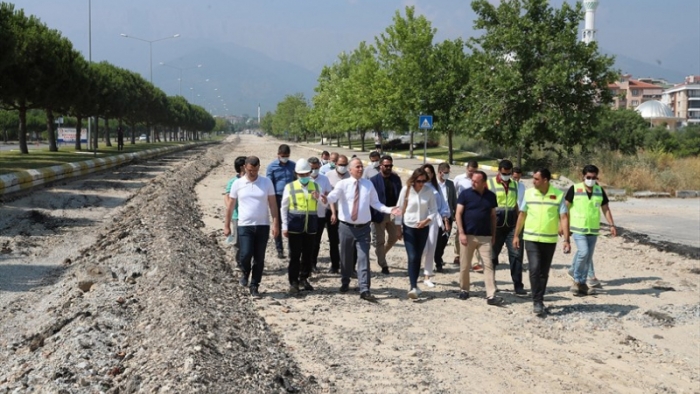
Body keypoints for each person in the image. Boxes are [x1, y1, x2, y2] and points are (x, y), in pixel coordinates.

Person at [324, 158, 401, 301]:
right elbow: (332, 198)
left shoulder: (368, 185)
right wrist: (323, 199)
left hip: (364, 228)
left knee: (363, 258)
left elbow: (376, 203)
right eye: (358, 167)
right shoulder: (342, 184)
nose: (360, 169)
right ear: (350, 169)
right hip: (346, 227)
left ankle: (364, 288)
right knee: (346, 258)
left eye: (362, 167)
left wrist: (390, 209)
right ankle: (345, 281)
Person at [514, 168, 570, 316]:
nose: (533, 181)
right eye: (533, 178)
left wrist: (566, 239)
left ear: (546, 180)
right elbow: (522, 215)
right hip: (531, 238)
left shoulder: (558, 195)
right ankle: (536, 301)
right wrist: (515, 235)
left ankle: (540, 298)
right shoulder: (528, 193)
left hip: (549, 239)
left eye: (537, 179)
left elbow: (564, 217)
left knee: (543, 272)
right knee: (534, 269)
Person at [224, 156, 279, 299]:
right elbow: (230, 206)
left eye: (255, 170)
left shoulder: (266, 183)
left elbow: (273, 204)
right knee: (246, 253)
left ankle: (255, 285)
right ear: (244, 168)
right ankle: (245, 272)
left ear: (259, 167)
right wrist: (227, 225)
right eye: (249, 170)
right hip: (244, 225)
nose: (252, 173)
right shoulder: (238, 183)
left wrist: (276, 223)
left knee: (259, 258)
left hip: (262, 225)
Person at [565, 164, 617, 294]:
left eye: (594, 177)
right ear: (583, 176)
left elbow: (605, 209)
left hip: (593, 230)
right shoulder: (575, 189)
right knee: (583, 252)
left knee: (587, 256)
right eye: (588, 177)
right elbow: (564, 208)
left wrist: (611, 225)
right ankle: (577, 280)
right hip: (578, 228)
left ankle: (581, 283)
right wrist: (563, 225)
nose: (591, 180)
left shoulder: (599, 190)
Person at [455, 171, 503, 306]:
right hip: (468, 235)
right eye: (472, 180)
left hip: (485, 237)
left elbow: (493, 216)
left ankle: (491, 294)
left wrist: (493, 235)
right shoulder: (465, 194)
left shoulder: (491, 196)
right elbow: (458, 214)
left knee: (488, 265)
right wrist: (461, 232)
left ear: (483, 183)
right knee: (465, 265)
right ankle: (464, 289)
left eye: (476, 181)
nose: (473, 183)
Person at [281, 159, 321, 294]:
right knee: (295, 255)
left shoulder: (315, 186)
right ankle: (293, 282)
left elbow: (323, 205)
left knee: (308, 255)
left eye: (306, 174)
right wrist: (284, 226)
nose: (304, 177)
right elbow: (283, 208)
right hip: (294, 226)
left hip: (310, 226)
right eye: (301, 175)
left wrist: (319, 198)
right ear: (296, 174)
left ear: (310, 173)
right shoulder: (290, 187)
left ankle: (304, 278)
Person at [396, 168, 437, 299]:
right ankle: (413, 286)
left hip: (423, 228)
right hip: (409, 227)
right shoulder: (406, 190)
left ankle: (415, 285)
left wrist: (426, 220)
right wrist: (398, 227)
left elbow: (434, 210)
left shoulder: (428, 191)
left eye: (424, 181)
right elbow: (399, 208)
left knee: (418, 256)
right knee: (412, 256)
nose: (421, 183)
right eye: (419, 181)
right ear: (414, 180)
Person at [488, 160, 527, 295]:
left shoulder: (515, 185)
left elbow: (517, 205)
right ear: (499, 171)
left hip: (511, 225)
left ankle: (518, 285)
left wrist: (520, 226)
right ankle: (491, 284)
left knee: (516, 255)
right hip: (495, 226)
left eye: (509, 173)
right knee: (492, 256)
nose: (507, 176)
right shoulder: (490, 183)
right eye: (504, 173)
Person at [419, 164, 451, 287]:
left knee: (431, 248)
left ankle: (427, 276)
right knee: (422, 249)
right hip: (420, 220)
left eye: (430, 173)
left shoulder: (436, 187)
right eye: (425, 172)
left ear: (433, 174)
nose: (428, 175)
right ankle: (415, 269)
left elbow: (443, 205)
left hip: (433, 221)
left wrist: (445, 220)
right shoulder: (418, 186)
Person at [369, 155, 402, 275]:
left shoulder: (396, 179)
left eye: (390, 166)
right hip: (379, 214)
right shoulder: (373, 181)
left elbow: (400, 196)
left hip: (393, 213)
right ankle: (383, 264)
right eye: (386, 166)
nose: (389, 168)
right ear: (381, 166)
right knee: (380, 240)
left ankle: (380, 253)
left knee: (394, 237)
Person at [266, 144, 296, 259]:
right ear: (278, 155)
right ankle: (279, 249)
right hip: (277, 197)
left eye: (287, 156)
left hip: (291, 198)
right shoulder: (271, 167)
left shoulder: (293, 166)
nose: (285, 158)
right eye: (283, 156)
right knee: (277, 222)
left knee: (291, 222)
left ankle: (291, 249)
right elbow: (269, 184)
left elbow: (297, 180)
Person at [324, 155, 350, 273]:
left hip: (347, 213)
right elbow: (329, 196)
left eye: (345, 165)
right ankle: (335, 265)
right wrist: (333, 213)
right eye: (341, 165)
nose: (343, 167)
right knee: (333, 240)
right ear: (336, 164)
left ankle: (348, 266)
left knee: (347, 241)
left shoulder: (350, 176)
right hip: (332, 212)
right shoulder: (328, 176)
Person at [451, 160, 479, 266]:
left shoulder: (478, 179)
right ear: (467, 168)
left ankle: (474, 259)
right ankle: (457, 255)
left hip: (475, 210)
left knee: (475, 233)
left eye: (474, 171)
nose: (472, 174)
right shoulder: (459, 179)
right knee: (460, 232)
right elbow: (453, 193)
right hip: (462, 209)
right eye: (470, 171)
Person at [308, 156, 333, 272]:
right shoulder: (304, 179)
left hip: (320, 215)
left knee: (316, 241)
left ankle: (313, 263)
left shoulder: (324, 179)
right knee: (306, 241)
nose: (314, 170)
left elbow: (329, 196)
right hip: (307, 215)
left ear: (319, 167)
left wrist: (322, 198)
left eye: (316, 168)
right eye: (311, 168)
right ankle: (305, 264)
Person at [224, 156, 247, 270]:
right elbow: (227, 197)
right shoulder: (233, 182)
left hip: (249, 217)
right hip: (237, 216)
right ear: (242, 167)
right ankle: (239, 262)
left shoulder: (252, 180)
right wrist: (230, 208)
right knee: (238, 241)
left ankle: (247, 261)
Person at [434, 163, 457, 273]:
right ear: (440, 172)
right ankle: (438, 262)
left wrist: (456, 213)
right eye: (446, 173)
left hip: (449, 216)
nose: (447, 175)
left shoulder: (450, 184)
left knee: (444, 241)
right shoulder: (433, 184)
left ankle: (438, 256)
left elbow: (454, 200)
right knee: (437, 240)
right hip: (436, 217)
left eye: (448, 173)